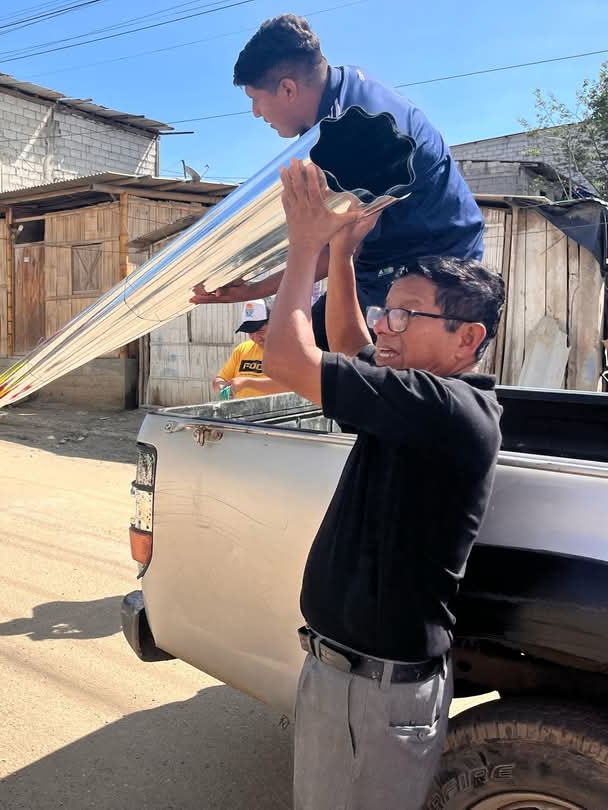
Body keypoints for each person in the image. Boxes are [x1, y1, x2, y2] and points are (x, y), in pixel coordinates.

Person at [264, 161, 504, 809]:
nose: (385, 328)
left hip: (375, 691)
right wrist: (343, 256)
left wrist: (305, 246)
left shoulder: (447, 408)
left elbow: (285, 357)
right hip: (349, 676)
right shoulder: (419, 398)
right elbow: (350, 345)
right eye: (386, 311)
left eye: (406, 316)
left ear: (467, 338)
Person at [191, 14, 485, 351]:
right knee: (298, 349)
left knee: (325, 361)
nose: (256, 112)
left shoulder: (358, 128)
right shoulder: (337, 101)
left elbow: (333, 246)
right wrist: (254, 286)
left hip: (436, 274)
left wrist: (255, 288)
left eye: (255, 99)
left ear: (287, 89)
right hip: (382, 263)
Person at [211, 299, 289, 400]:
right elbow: (221, 378)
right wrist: (222, 388)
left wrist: (248, 383)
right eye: (250, 332)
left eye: (260, 331)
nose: (255, 337)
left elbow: (292, 386)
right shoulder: (242, 349)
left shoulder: (291, 351)